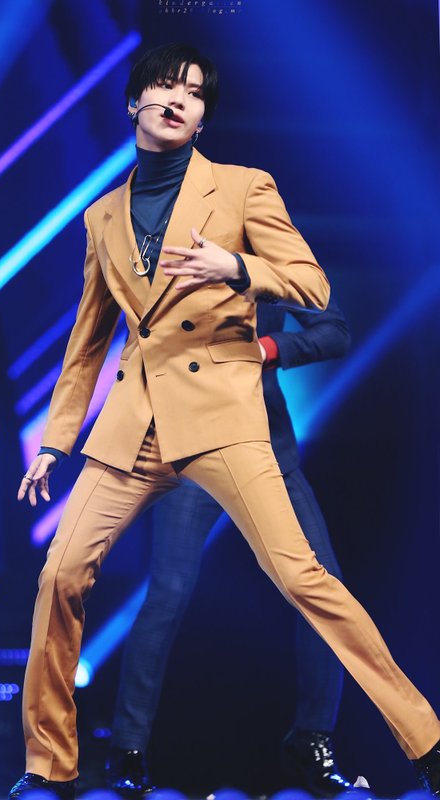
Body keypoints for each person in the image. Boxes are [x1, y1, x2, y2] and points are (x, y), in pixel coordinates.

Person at [9, 43, 440, 799]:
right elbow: (85, 345)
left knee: (305, 579)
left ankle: (426, 741)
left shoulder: (242, 188)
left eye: (195, 93)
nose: (180, 99)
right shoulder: (101, 217)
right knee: (60, 574)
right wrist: (54, 443)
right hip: (136, 426)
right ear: (134, 101)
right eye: (166, 86)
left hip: (223, 417)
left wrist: (237, 267)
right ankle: (49, 765)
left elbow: (312, 285)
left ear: (203, 119)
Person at [107, 296, 354, 798]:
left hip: (267, 451)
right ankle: (127, 751)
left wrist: (268, 348)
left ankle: (312, 738)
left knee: (327, 594)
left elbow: (334, 331)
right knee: (168, 595)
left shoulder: (268, 260)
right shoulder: (168, 259)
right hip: (192, 452)